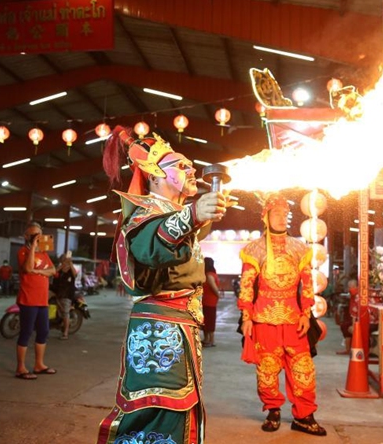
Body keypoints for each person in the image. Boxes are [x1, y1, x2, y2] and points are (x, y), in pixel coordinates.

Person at [97, 126, 226, 444]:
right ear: (154, 176)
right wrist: (192, 215)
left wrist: (197, 216)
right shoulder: (145, 215)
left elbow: (180, 237)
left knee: (179, 411)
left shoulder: (171, 213)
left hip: (180, 328)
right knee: (160, 412)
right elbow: (151, 247)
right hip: (160, 331)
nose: (192, 168)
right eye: (181, 165)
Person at [238, 193, 326, 436]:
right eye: (275, 213)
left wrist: (306, 314)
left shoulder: (299, 248)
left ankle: (304, 416)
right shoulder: (254, 249)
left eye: (284, 214)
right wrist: (246, 317)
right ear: (265, 217)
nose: (281, 218)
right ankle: (273, 410)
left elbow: (307, 284)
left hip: (294, 317)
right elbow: (246, 284)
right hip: (263, 318)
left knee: (303, 368)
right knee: (267, 367)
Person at [15, 222, 56, 380]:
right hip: (28, 299)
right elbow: (27, 268)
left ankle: (39, 365)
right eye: (34, 235)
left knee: (43, 331)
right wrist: (32, 246)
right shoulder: (23, 251)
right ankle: (20, 368)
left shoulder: (44, 253)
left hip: (42, 300)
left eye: (39, 234)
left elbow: (53, 270)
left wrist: (38, 271)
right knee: (26, 332)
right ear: (26, 236)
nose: (37, 237)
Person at [52, 251, 89, 340]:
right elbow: (53, 273)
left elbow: (75, 274)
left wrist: (70, 263)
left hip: (67, 293)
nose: (64, 261)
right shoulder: (59, 269)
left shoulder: (71, 270)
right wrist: (61, 266)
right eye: (63, 260)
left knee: (65, 312)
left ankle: (65, 332)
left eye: (65, 260)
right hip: (57, 292)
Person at [202, 257, 220, 347]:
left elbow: (214, 288)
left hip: (209, 301)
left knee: (209, 320)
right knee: (207, 320)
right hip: (208, 301)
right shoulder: (211, 274)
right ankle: (207, 339)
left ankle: (211, 340)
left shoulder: (209, 275)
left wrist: (218, 295)